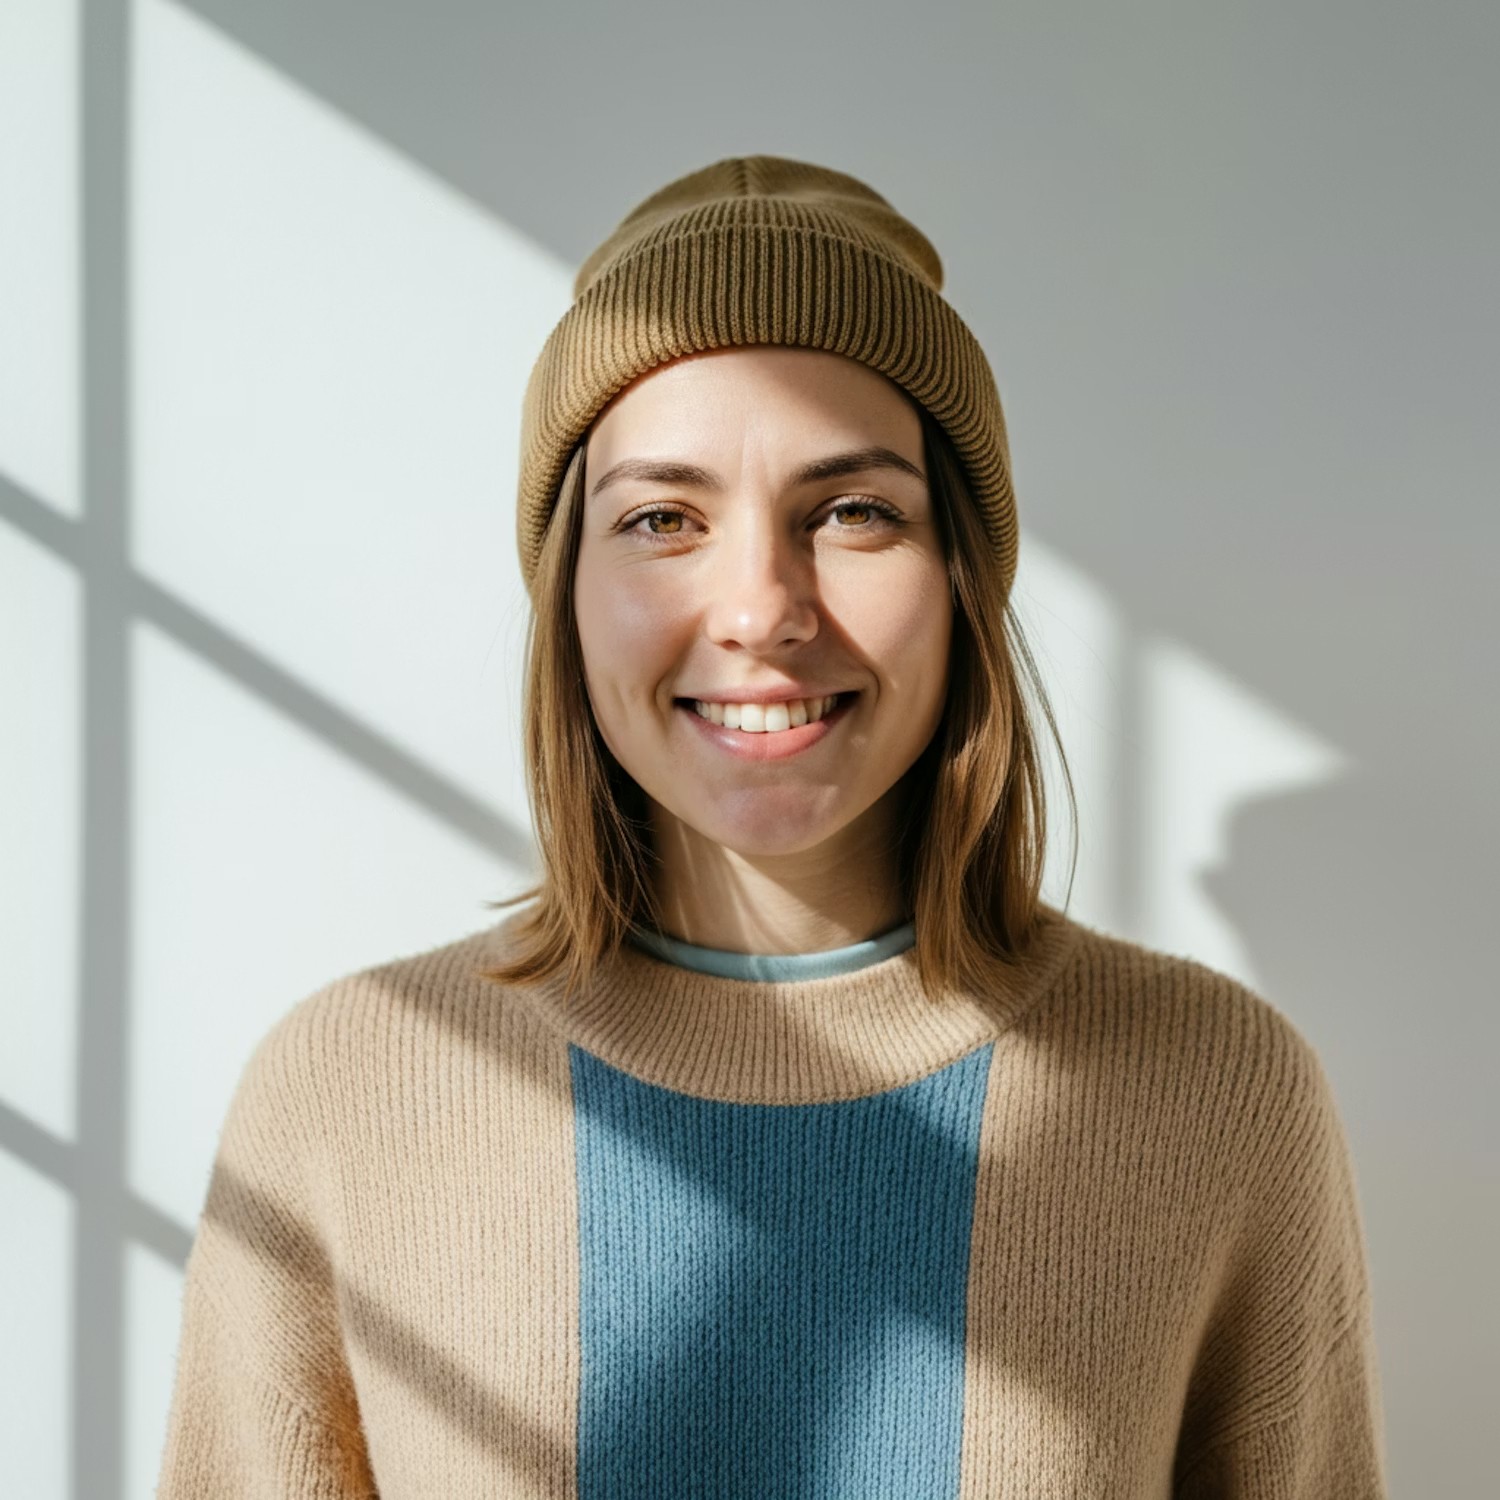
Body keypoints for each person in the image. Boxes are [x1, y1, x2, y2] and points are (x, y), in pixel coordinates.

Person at [156, 155, 1388, 1497]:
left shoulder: (1212, 1090)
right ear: (571, 589)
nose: (761, 608)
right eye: (662, 518)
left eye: (854, 510)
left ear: (961, 573)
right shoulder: (347, 1093)